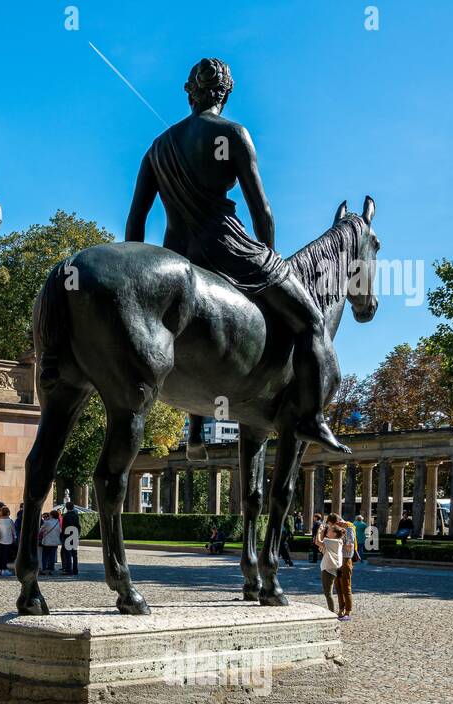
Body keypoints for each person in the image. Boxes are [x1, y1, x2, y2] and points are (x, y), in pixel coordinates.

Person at [125, 57, 347, 456]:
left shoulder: (156, 149)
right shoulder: (232, 134)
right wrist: (272, 259)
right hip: (228, 248)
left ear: (190, 93)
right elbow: (261, 209)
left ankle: (194, 431)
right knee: (313, 320)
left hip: (177, 253)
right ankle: (312, 418)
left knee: (185, 330)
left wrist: (134, 277)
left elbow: (135, 224)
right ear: (225, 93)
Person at [317, 521, 347, 616]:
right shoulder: (337, 541)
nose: (327, 532)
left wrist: (319, 531)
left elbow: (318, 542)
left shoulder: (334, 541)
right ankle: (332, 612)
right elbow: (321, 545)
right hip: (330, 568)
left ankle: (332, 613)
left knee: (328, 593)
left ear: (334, 533)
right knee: (328, 593)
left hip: (328, 569)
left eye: (329, 530)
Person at [0, 506, 16, 577]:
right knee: (5, 556)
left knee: (0, 555)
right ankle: (4, 570)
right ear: (8, 513)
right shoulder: (10, 521)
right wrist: (15, 538)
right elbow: (13, 531)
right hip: (8, 540)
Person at [60, 503, 81, 576]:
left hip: (68, 535)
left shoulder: (66, 516)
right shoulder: (76, 515)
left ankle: (69, 570)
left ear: (66, 507)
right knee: (74, 554)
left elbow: (63, 527)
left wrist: (62, 536)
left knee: (68, 554)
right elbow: (78, 526)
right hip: (74, 534)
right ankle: (75, 570)